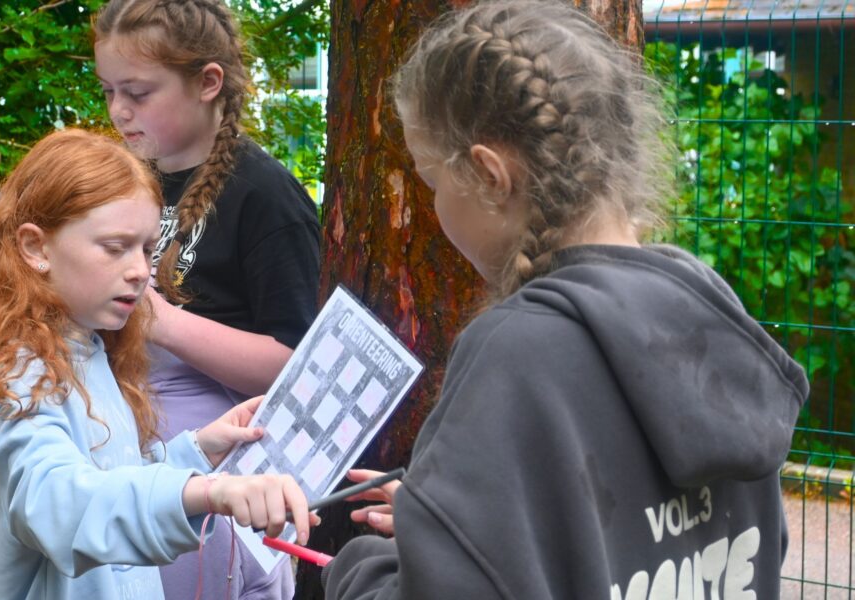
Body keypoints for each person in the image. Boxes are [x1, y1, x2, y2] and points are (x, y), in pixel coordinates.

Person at [320, 2, 809, 598]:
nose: (436, 205)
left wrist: (362, 566)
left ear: (490, 176)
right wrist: (454, 528)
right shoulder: (707, 307)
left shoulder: (516, 351)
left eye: (432, 181)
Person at [0, 128, 316, 600]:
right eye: (115, 247)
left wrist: (197, 452)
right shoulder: (20, 367)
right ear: (36, 248)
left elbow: (114, 478)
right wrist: (206, 493)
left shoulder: (86, 347)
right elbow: (57, 505)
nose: (141, 270)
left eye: (146, 248)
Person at [93, 1, 321, 598]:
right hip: (128, 467)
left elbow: (295, 366)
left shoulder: (265, 196)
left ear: (208, 82)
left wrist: (162, 322)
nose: (118, 110)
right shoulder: (123, 183)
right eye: (108, 90)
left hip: (215, 497)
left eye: (138, 92)